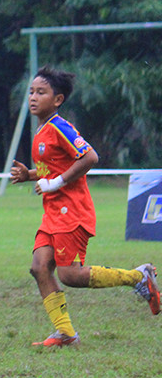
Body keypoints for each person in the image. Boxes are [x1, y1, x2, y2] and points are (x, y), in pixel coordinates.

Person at [10, 66, 159, 347]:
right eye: (31, 92)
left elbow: (90, 157)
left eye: (41, 92)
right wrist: (29, 175)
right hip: (52, 213)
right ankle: (65, 333)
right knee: (39, 267)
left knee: (70, 275)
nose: (33, 97)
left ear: (58, 100)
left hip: (71, 212)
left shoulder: (59, 126)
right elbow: (54, 168)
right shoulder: (42, 131)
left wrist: (54, 184)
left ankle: (138, 276)